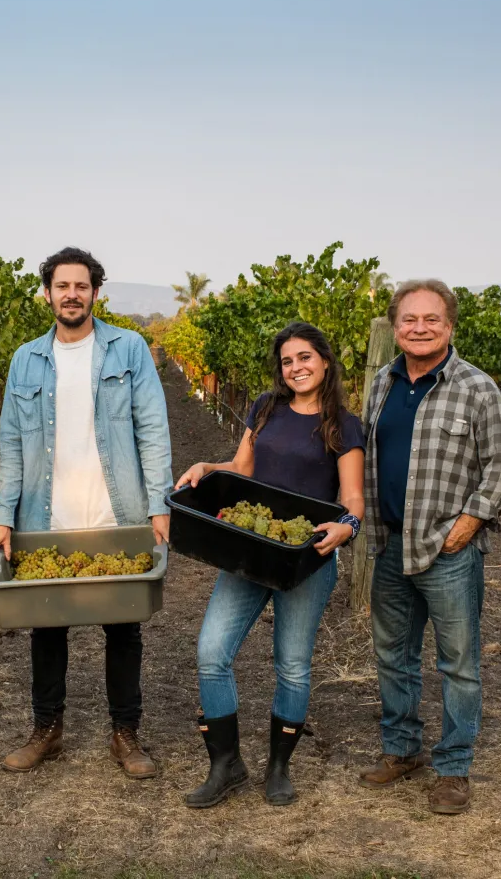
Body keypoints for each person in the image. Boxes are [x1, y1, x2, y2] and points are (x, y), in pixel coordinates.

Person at [0, 246, 172, 779]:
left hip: (119, 511)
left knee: (123, 627)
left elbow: (153, 429)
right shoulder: (26, 359)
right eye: (62, 286)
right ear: (47, 294)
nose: (71, 294)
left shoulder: (129, 349)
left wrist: (159, 504)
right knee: (46, 626)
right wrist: (2, 514)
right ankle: (47, 731)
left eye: (81, 286)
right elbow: (13, 443)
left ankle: (125, 734)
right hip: (47, 514)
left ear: (95, 292)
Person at [175, 322, 365, 808]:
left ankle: (279, 767)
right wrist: (207, 468)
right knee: (211, 652)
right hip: (250, 548)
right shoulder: (265, 408)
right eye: (287, 361)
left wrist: (348, 526)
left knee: (293, 667)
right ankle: (226, 765)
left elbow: (352, 497)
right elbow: (243, 469)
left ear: (324, 361)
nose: (296, 367)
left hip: (305, 558)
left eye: (305, 357)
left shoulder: (344, 424)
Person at [358, 279, 501, 816]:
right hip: (388, 544)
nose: (420, 328)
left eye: (431, 319)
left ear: (449, 326)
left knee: (459, 664)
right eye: (409, 320)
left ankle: (453, 768)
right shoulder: (381, 382)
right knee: (393, 656)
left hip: (448, 550)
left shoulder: (477, 387)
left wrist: (472, 520)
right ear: (396, 326)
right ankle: (402, 749)